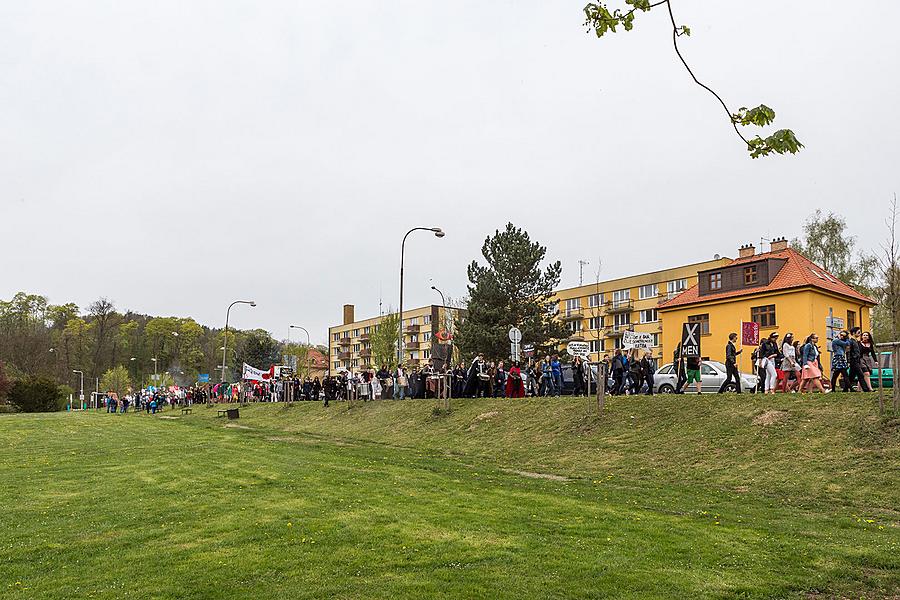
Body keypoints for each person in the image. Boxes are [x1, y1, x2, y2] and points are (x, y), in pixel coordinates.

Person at [847, 327, 870, 392]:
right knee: (860, 375)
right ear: (854, 333)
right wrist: (848, 361)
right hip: (853, 360)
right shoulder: (850, 341)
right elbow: (848, 352)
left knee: (851, 376)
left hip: (857, 360)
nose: (860, 334)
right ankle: (866, 389)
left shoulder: (856, 341)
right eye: (858, 332)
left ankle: (846, 388)